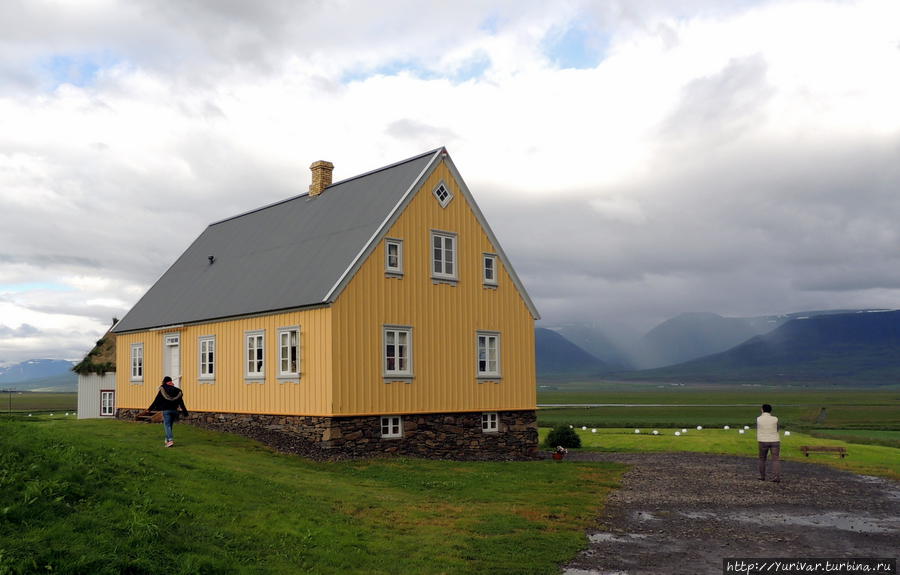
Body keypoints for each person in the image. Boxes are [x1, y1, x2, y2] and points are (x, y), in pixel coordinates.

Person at [148, 376, 189, 447]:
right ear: (170, 382)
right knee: (170, 426)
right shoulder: (178, 391)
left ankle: (170, 440)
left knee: (167, 426)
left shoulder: (163, 389)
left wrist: (150, 409)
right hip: (174, 411)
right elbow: (181, 402)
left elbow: (156, 400)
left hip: (166, 410)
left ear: (165, 382)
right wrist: (185, 412)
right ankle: (167, 440)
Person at [756, 403, 780, 482]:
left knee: (762, 459)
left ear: (762, 410)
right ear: (770, 410)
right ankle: (776, 477)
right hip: (775, 440)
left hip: (763, 440)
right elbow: (778, 428)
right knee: (775, 459)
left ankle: (762, 476)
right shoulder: (775, 418)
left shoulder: (758, 419)